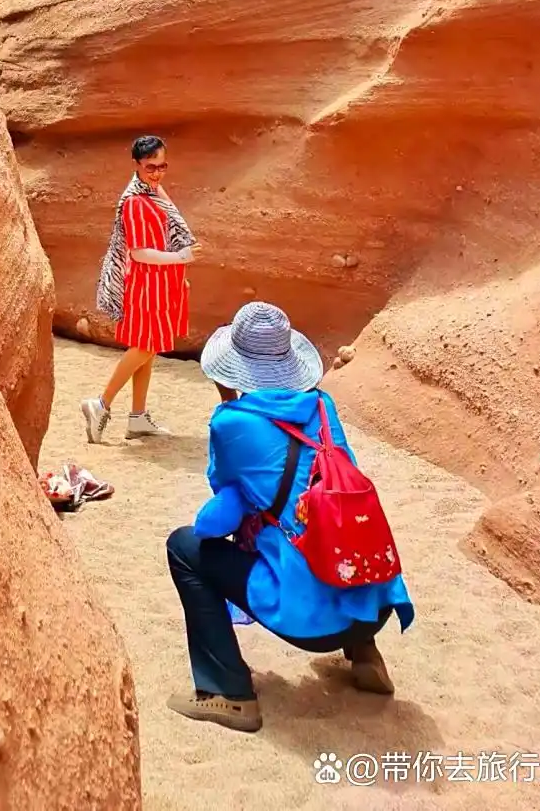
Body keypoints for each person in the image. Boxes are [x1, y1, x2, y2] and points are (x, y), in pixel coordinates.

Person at [165, 301, 414, 733]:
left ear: (231, 369)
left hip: (311, 625)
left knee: (184, 546)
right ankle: (364, 653)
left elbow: (218, 518)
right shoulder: (322, 407)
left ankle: (229, 692)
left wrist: (227, 405)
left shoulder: (232, 424)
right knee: (329, 518)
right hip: (375, 602)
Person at [81, 135, 196, 443]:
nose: (157, 173)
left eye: (162, 166)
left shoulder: (154, 191)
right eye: (150, 167)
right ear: (136, 165)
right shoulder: (135, 201)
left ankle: (138, 418)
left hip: (161, 280)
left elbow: (171, 228)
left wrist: (178, 266)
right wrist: (179, 258)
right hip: (146, 283)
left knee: (149, 349)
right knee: (144, 346)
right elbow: (138, 251)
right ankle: (101, 404)